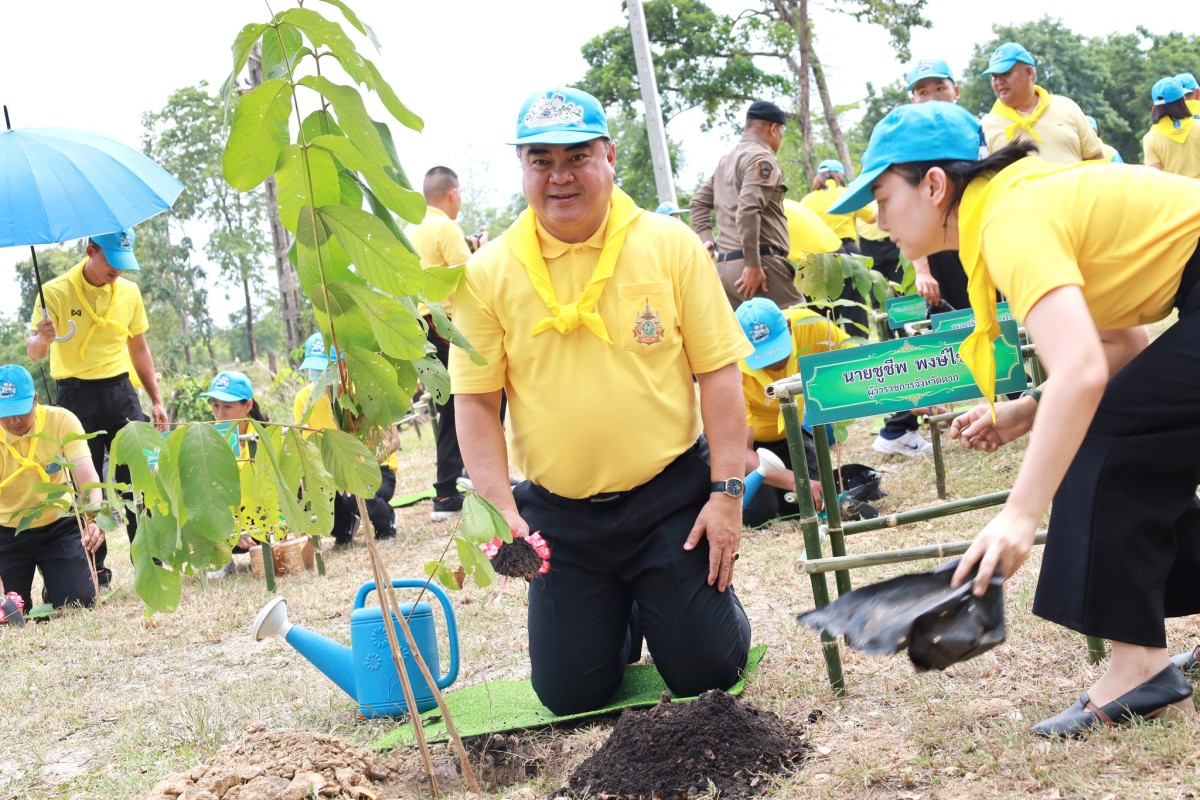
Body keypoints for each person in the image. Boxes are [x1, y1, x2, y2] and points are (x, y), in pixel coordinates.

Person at [829, 99, 1200, 737]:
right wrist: (1032, 407)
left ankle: (1140, 669)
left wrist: (1020, 515)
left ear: (935, 185)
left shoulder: (1009, 220)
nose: (876, 218)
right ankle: (1143, 664)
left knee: (1104, 444)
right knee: (1119, 440)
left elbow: (1085, 373)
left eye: (883, 197)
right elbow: (1122, 349)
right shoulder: (1013, 208)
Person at [451, 87, 753, 715]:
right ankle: (625, 612)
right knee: (568, 694)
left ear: (609, 156)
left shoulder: (668, 244)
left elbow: (719, 373)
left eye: (577, 156)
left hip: (668, 498)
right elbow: (477, 402)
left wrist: (726, 495)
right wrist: (500, 511)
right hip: (562, 518)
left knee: (708, 670)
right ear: (523, 167)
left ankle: (679, 604)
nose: (560, 176)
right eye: (541, 161)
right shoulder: (488, 271)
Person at [26, 228, 168, 587]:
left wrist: (156, 399)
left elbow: (139, 348)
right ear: (91, 250)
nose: (117, 271)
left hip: (121, 392)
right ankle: (93, 570)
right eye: (112, 263)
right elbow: (35, 351)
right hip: (75, 397)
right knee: (81, 488)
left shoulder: (129, 293)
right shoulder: (54, 291)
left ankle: (149, 560)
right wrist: (41, 337)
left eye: (124, 264)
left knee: (138, 478)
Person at [735, 298, 848, 527]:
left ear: (788, 326)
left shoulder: (812, 325)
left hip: (793, 434)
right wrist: (796, 481)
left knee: (811, 504)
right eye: (762, 358)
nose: (774, 364)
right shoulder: (732, 366)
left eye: (778, 352)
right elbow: (740, 451)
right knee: (760, 516)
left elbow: (859, 361)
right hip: (754, 447)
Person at [406, 166, 478, 522]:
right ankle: (449, 489)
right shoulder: (445, 227)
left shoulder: (411, 228)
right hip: (443, 325)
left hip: (418, 327)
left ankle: (463, 478)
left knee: (450, 407)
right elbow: (470, 275)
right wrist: (480, 251)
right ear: (453, 193)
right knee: (474, 399)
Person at [0, 364, 102, 612]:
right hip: (6, 531)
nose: (14, 420)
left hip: (58, 524)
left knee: (78, 602)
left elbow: (87, 478)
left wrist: (92, 519)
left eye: (21, 411)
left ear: (35, 400)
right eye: (5, 412)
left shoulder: (61, 421)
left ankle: (56, 582)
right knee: (12, 611)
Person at [690, 100, 800, 308]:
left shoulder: (727, 160)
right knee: (801, 323)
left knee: (750, 337)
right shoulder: (761, 158)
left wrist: (707, 241)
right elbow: (748, 209)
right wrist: (752, 264)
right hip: (759, 266)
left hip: (726, 269)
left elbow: (698, 203)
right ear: (774, 129)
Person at [294, 335, 398, 542]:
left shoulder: (364, 391)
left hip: (375, 470)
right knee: (306, 497)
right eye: (315, 368)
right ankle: (345, 527)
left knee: (356, 498)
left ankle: (386, 522)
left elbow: (393, 441)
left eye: (325, 368)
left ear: (343, 364)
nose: (319, 375)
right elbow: (305, 446)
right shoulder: (304, 399)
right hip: (332, 474)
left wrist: (354, 471)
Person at [979, 42, 1103, 165]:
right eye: (994, 76)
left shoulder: (1067, 107)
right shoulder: (984, 128)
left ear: (1029, 73)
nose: (999, 81)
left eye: (1005, 73)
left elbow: (1096, 160)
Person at [200, 370, 268, 580]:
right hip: (226, 526)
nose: (220, 413)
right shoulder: (207, 442)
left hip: (262, 521)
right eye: (215, 405)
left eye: (228, 406)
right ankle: (221, 558)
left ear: (248, 406)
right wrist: (230, 528)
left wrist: (245, 526)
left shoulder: (265, 438)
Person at [799, 159, 877, 334]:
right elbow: (872, 217)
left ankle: (827, 353)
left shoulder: (806, 200)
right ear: (840, 175)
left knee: (821, 312)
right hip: (847, 254)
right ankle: (860, 352)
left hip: (816, 259)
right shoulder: (847, 193)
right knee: (854, 310)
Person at [1142, 78, 1200, 179]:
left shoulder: (1150, 139)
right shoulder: (1198, 126)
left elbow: (1155, 178)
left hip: (1173, 194)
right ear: (1182, 100)